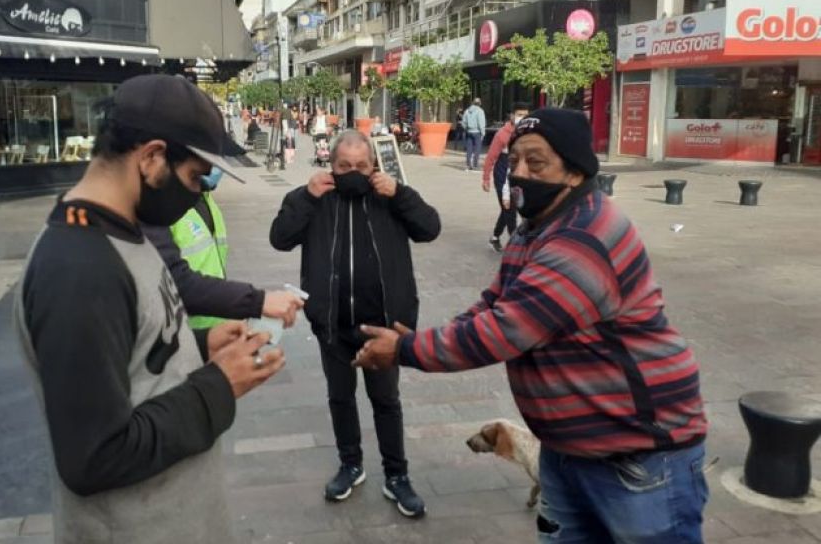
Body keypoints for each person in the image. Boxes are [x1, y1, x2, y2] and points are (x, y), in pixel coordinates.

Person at [353, 108, 709, 543]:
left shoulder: (583, 238)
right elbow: (494, 302)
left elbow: (506, 329)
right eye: (515, 159)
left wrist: (407, 350)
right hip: (567, 450)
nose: (519, 173)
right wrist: (425, 340)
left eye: (535, 163)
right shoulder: (536, 227)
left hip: (637, 456)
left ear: (575, 173)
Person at [14, 74, 286, 544]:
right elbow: (94, 456)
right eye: (195, 176)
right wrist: (219, 385)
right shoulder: (80, 269)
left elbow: (131, 360)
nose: (200, 192)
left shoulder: (127, 232)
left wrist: (198, 346)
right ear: (153, 157)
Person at [269, 130, 441, 518]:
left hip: (383, 328)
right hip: (332, 325)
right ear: (330, 165)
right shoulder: (315, 198)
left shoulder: (390, 198)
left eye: (361, 166)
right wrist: (304, 197)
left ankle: (397, 476)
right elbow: (280, 238)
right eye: (344, 166)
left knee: (386, 400)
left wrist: (400, 194)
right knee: (340, 397)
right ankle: (351, 465)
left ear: (374, 165)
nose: (353, 173)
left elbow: (430, 228)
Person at [144, 166, 304, 330]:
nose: (210, 170)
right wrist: (257, 302)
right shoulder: (158, 211)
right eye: (196, 172)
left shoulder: (205, 199)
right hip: (182, 325)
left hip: (214, 317)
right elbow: (176, 281)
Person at [482, 102, 531, 252]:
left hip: (520, 174)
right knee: (509, 210)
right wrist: (486, 178)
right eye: (519, 115)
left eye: (525, 115)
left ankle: (495, 237)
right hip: (502, 174)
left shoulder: (529, 132)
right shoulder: (502, 134)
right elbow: (491, 157)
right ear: (512, 115)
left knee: (509, 207)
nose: (521, 118)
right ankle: (516, 247)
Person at [461, 98, 487, 171]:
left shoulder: (467, 111)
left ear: (473, 103)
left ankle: (468, 165)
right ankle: (475, 165)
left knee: (469, 149)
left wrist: (466, 128)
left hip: (469, 132)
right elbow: (481, 123)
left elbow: (463, 123)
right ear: (480, 103)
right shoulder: (480, 111)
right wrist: (483, 133)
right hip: (477, 132)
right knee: (477, 149)